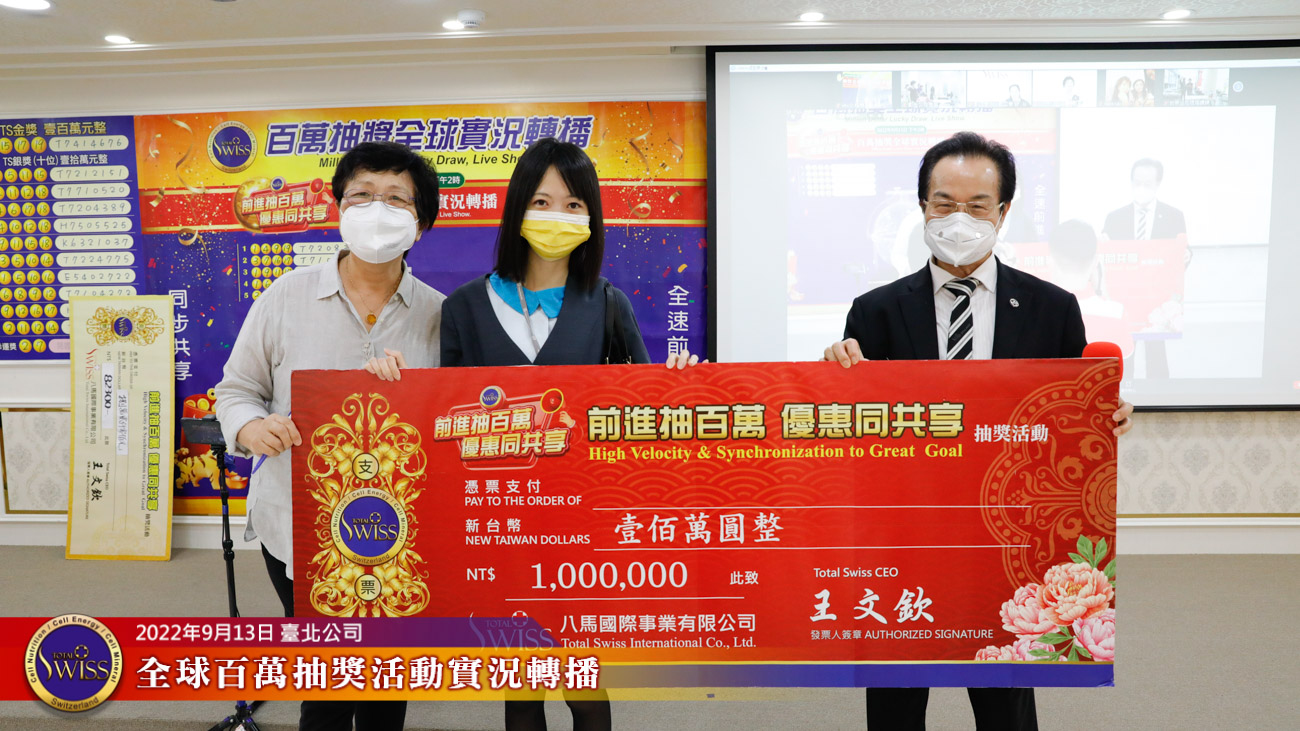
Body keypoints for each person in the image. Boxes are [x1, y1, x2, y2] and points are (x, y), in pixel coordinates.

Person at [823, 131, 1133, 731]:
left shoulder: (1052, 308)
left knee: (1004, 697)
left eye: (977, 205)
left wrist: (1107, 414)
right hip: (907, 534)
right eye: (944, 203)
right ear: (922, 208)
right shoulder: (875, 310)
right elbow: (859, 431)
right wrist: (834, 377)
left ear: (1003, 212)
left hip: (1009, 536)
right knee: (894, 694)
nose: (958, 219)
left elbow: (1071, 420)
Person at [437, 137, 695, 730]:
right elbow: (442, 421)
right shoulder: (465, 307)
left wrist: (678, 384)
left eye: (574, 204)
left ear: (591, 217)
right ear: (517, 208)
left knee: (584, 684)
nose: (558, 215)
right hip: (500, 523)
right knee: (521, 687)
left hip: (583, 529)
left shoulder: (606, 303)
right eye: (542, 201)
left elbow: (644, 409)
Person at [214, 140, 444, 731]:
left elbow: (459, 420)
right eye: (361, 195)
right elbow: (236, 390)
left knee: (387, 678)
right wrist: (252, 427)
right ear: (338, 208)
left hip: (401, 535)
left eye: (396, 198)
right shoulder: (285, 297)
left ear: (420, 222)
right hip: (297, 523)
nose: (377, 209)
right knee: (325, 679)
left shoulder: (441, 315)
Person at [1101, 158, 1186, 241]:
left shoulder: (1174, 217)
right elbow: (1104, 246)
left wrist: (1186, 250)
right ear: (1131, 182)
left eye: (1147, 184)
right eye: (1137, 183)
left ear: (1158, 184)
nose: (1141, 188)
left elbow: (1183, 247)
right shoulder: (1114, 218)